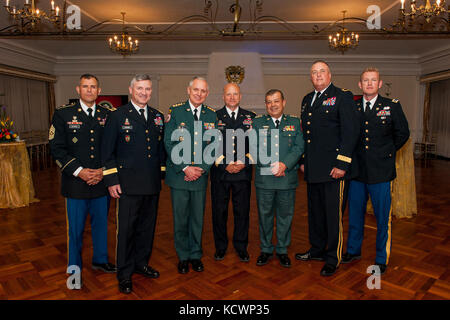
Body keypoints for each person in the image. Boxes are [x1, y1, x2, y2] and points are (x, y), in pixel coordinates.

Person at [49, 74, 116, 290]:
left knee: (101, 226)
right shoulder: (63, 114)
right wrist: (80, 172)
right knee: (75, 231)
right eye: (85, 86)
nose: (89, 90)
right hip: (75, 184)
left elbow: (113, 149)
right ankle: (74, 271)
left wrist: (102, 172)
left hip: (101, 181)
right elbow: (57, 149)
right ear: (78, 89)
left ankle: (100, 260)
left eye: (93, 87)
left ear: (99, 90)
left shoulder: (108, 115)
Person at [101, 74, 166, 294]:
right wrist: (111, 180)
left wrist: (162, 175)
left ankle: (141, 263)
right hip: (126, 185)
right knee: (126, 231)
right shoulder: (118, 116)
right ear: (131, 90)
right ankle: (125, 273)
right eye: (140, 89)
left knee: (147, 229)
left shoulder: (157, 117)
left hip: (151, 183)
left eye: (147, 89)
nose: (144, 92)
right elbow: (107, 151)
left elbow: (160, 151)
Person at [342, 67, 410, 275]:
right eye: (365, 80)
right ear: (360, 85)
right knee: (354, 215)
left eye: (373, 80)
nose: (369, 83)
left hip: (381, 172)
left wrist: (387, 153)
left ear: (380, 84)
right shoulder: (352, 106)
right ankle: (353, 251)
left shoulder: (391, 106)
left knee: (382, 218)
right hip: (357, 172)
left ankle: (381, 257)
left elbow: (403, 133)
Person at [295, 60, 359, 276]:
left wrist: (342, 163)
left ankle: (333, 257)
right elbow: (306, 134)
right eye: (314, 72)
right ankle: (317, 250)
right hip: (313, 169)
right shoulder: (306, 100)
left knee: (333, 216)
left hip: (334, 170)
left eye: (322, 71)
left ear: (330, 74)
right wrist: (303, 160)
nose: (318, 75)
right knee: (315, 214)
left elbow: (350, 133)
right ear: (310, 77)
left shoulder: (343, 96)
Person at [164, 76, 217, 274]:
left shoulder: (211, 115)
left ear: (207, 93)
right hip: (179, 176)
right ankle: (183, 256)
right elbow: (169, 143)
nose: (199, 94)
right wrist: (186, 167)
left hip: (200, 176)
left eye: (203, 91)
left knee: (197, 218)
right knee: (181, 218)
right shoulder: (175, 112)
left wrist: (201, 168)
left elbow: (213, 146)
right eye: (196, 90)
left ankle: (196, 254)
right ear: (189, 90)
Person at [252, 89, 304, 268]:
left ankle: (282, 249)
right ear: (265, 105)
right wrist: (271, 166)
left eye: (276, 101)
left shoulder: (295, 122)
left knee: (285, 216)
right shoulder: (257, 123)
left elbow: (298, 147)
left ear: (284, 102)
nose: (272, 105)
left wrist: (284, 165)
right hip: (265, 179)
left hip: (286, 177)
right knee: (264, 215)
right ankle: (265, 249)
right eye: (268, 102)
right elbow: (253, 147)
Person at [210, 83, 255, 262]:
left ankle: (241, 246)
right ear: (223, 96)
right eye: (228, 94)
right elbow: (209, 145)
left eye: (235, 94)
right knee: (219, 213)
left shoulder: (250, 118)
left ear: (240, 96)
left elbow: (256, 144)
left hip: (242, 174)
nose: (232, 97)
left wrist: (244, 162)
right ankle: (220, 247)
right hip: (220, 174)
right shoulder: (213, 117)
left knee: (242, 212)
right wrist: (224, 165)